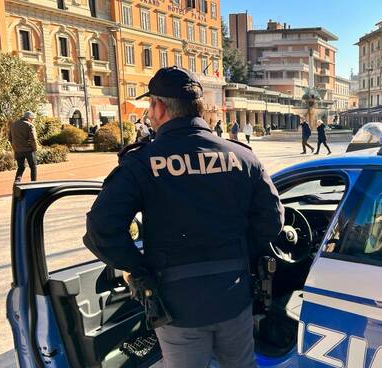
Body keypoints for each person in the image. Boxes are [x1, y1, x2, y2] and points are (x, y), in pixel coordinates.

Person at [83, 66, 284, 368]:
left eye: (150, 106)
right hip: (234, 294)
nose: (149, 115)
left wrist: (139, 269)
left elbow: (102, 229)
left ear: (160, 107)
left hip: (177, 304)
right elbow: (272, 220)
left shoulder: (141, 162)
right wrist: (240, 254)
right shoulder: (242, 156)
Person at [8, 111, 38, 183]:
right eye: (32, 119)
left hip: (18, 150)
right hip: (28, 150)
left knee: (21, 168)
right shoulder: (30, 125)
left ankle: (17, 183)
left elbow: (9, 138)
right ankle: (34, 184)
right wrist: (35, 148)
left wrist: (15, 147)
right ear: (29, 118)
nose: (33, 120)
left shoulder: (14, 125)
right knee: (33, 167)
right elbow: (33, 139)